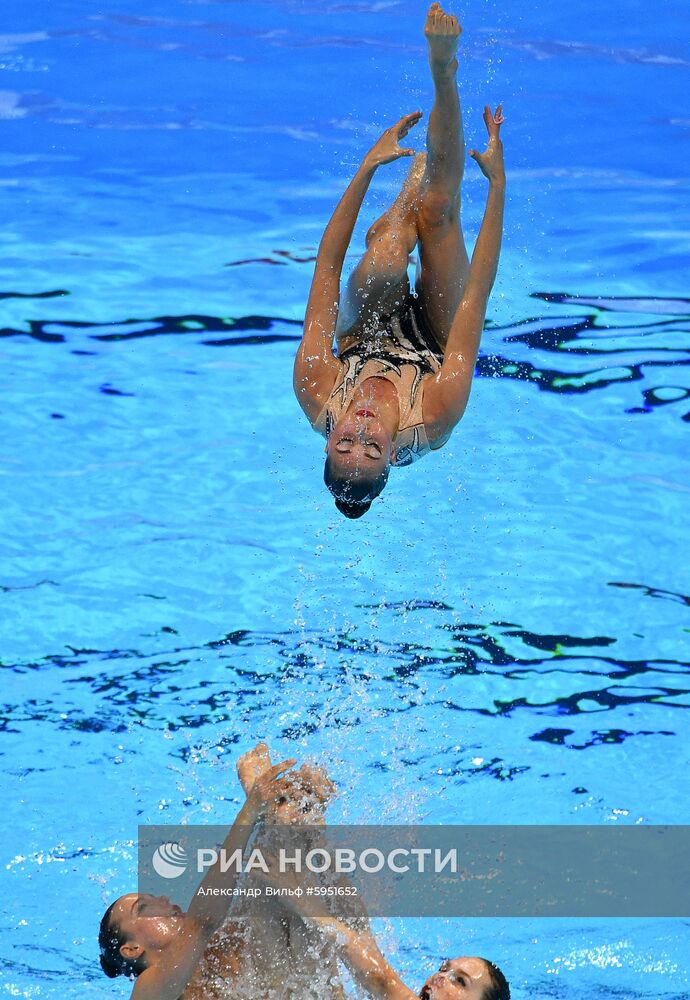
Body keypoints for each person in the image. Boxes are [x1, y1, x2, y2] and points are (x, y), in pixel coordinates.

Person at [293, 2, 505, 518]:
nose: (360, 432)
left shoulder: (315, 384)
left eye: (345, 444)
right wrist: (498, 186)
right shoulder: (435, 413)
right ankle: (443, 70)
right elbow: (476, 297)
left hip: (363, 331)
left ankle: (403, 204)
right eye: (370, 449)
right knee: (437, 211)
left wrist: (367, 166)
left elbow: (325, 268)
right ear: (391, 454)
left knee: (387, 252)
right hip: (435, 339)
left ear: (326, 443)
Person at [97, 743, 348, 999]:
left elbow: (264, 888)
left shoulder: (219, 946)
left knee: (280, 890)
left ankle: (283, 814)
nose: (163, 900)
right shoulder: (148, 990)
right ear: (131, 949)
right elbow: (202, 922)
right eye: (144, 908)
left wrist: (288, 813)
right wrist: (250, 811)